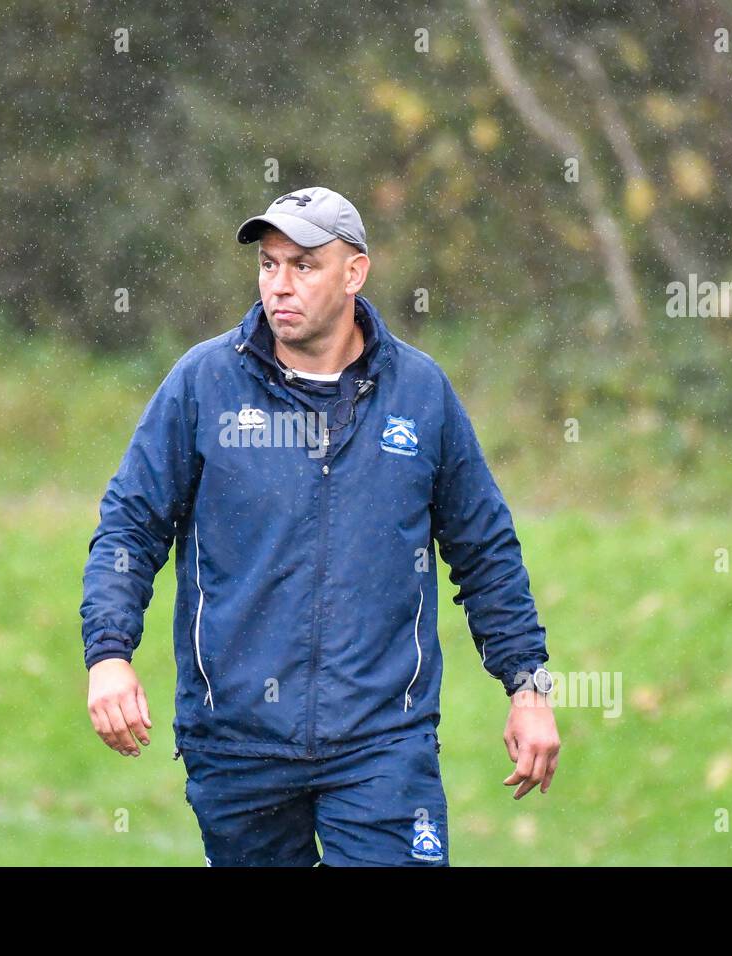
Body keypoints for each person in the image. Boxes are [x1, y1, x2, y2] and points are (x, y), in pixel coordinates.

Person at [80, 186, 559, 866]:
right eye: (269, 265)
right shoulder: (202, 385)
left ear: (354, 273)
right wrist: (108, 653)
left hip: (382, 743)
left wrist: (529, 689)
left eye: (303, 265)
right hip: (237, 742)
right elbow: (129, 529)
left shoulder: (421, 395)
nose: (280, 285)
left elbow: (486, 554)